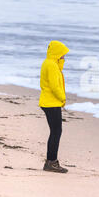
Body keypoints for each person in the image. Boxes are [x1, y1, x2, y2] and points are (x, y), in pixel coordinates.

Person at [39, 40, 69, 173]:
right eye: (62, 54)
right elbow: (54, 86)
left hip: (50, 102)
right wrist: (62, 97)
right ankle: (51, 162)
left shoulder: (51, 63)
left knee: (56, 131)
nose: (64, 57)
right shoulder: (51, 65)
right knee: (56, 132)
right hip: (51, 103)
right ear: (57, 52)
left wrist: (60, 62)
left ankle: (51, 162)